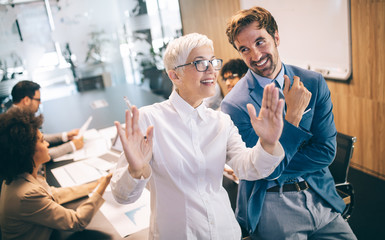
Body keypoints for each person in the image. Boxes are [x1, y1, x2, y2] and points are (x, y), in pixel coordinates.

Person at [111, 33, 285, 240]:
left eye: (212, 61)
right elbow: (122, 196)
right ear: (174, 76)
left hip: (225, 232)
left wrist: (267, 143)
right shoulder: (148, 120)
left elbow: (249, 168)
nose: (212, 69)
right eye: (200, 63)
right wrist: (136, 170)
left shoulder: (221, 121)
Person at [221, 6, 357, 240]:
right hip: (272, 202)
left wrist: (272, 162)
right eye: (245, 49)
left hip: (320, 195)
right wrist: (292, 118)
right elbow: (264, 171)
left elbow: (325, 152)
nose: (255, 56)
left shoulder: (313, 82)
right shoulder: (234, 104)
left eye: (260, 42)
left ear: (276, 37)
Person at [0, 107, 112, 240]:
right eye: (42, 140)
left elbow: (53, 194)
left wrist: (94, 185)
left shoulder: (19, 177)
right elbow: (77, 221)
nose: (47, 144)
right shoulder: (27, 195)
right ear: (26, 152)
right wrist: (101, 189)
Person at [10, 80, 84, 159]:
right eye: (38, 100)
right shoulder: (16, 125)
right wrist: (72, 146)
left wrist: (64, 136)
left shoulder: (15, 115)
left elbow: (37, 138)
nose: (40, 103)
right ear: (26, 100)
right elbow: (37, 155)